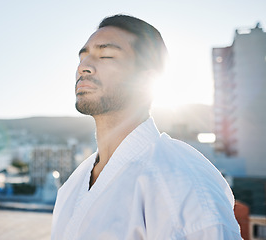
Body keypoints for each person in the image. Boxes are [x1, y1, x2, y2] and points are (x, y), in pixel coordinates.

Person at [51, 14, 242, 239]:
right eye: (82, 57)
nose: (84, 67)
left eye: (106, 55)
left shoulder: (182, 181)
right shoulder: (72, 186)